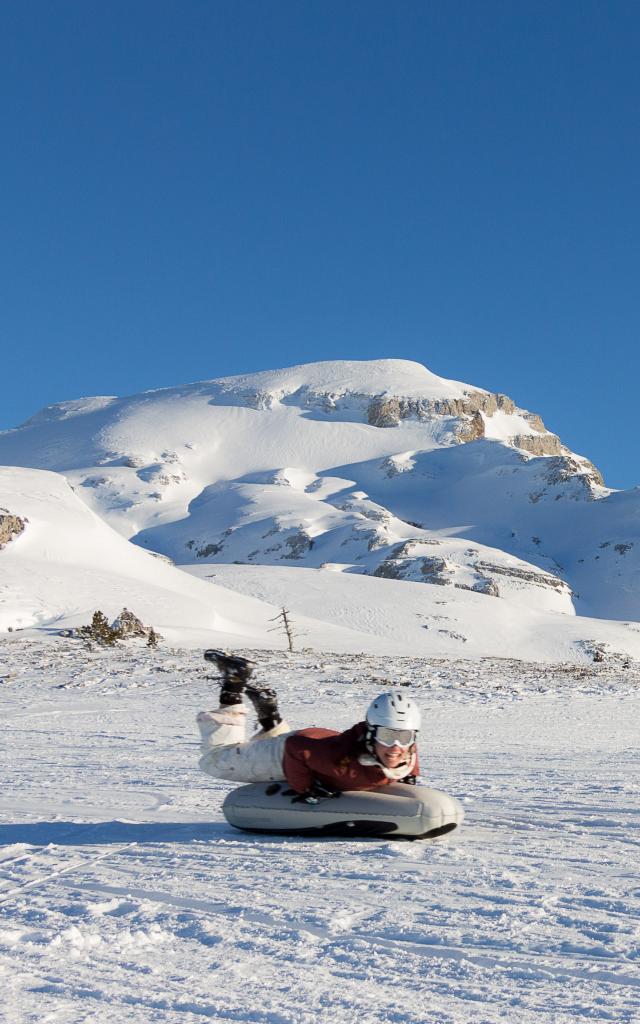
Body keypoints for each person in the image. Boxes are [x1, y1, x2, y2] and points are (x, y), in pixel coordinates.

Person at [196, 651, 422, 803]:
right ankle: (233, 683)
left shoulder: (403, 752)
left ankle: (269, 715)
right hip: (288, 753)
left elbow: (407, 750)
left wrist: (410, 775)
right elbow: (295, 747)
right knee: (214, 760)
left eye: (403, 737)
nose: (395, 746)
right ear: (372, 734)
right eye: (386, 735)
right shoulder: (339, 761)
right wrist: (305, 788)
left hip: (314, 743)